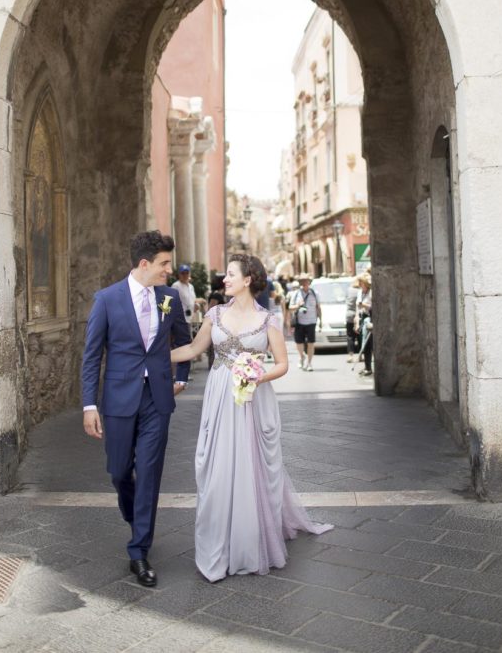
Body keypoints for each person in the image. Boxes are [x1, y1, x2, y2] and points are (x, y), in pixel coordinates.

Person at [171, 253, 333, 581]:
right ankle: (220, 538)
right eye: (225, 275)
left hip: (252, 399)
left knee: (251, 464)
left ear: (248, 280)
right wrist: (150, 355)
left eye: (230, 275)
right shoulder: (214, 315)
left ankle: (249, 539)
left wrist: (255, 377)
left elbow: (282, 364)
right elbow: (191, 350)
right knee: (215, 465)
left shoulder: (268, 320)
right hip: (219, 399)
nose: (224, 280)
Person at [81, 230, 191, 588]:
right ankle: (133, 511)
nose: (167, 271)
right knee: (118, 471)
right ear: (144, 264)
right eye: (163, 264)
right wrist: (88, 405)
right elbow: (92, 356)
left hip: (157, 399)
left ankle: (139, 550)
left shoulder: (170, 298)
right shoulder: (107, 299)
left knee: (149, 472)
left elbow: (184, 340)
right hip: (118, 399)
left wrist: (183, 376)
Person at [288, 274, 322, 371]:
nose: (304, 283)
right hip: (299, 322)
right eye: (302, 281)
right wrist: (298, 305)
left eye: (306, 281)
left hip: (312, 321)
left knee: (311, 343)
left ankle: (309, 363)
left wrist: (320, 321)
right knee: (299, 343)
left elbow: (318, 307)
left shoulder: (315, 293)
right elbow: (290, 308)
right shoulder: (296, 293)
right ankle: (302, 356)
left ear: (309, 282)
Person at [171, 263, 198, 335]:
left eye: (187, 273)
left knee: (189, 338)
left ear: (189, 274)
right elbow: (172, 302)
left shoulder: (191, 286)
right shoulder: (176, 285)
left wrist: (196, 304)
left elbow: (193, 300)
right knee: (183, 340)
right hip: (180, 319)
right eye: (183, 273)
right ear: (179, 274)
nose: (185, 275)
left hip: (190, 317)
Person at [355, 273, 373, 376]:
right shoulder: (359, 293)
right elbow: (357, 308)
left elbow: (374, 306)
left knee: (369, 344)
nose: (360, 284)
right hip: (362, 318)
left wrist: (364, 305)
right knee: (363, 343)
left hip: (370, 318)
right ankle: (367, 367)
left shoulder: (371, 293)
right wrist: (357, 322)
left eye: (361, 282)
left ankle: (369, 367)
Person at [346, 276, 360, 363]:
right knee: (359, 336)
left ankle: (350, 355)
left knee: (350, 336)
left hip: (349, 315)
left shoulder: (349, 290)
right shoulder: (360, 291)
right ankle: (361, 355)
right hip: (358, 315)